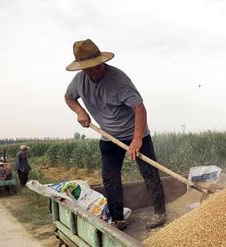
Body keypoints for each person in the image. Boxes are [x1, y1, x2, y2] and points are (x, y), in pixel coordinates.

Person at [64, 39, 166, 230]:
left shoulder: (118, 80)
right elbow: (69, 97)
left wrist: (137, 139)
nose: (96, 69)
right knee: (110, 178)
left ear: (101, 61)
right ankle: (118, 219)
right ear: (83, 68)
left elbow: (140, 109)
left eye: (97, 65)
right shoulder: (79, 81)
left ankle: (160, 212)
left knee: (150, 174)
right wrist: (80, 111)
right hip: (109, 136)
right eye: (89, 67)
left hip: (135, 133)